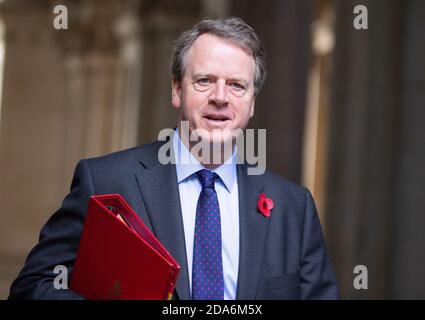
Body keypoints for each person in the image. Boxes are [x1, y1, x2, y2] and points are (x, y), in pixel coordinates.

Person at [9, 17, 338, 300]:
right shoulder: (106, 181)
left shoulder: (293, 208)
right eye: (204, 81)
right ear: (177, 90)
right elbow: (32, 286)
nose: (220, 98)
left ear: (251, 103)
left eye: (237, 85)